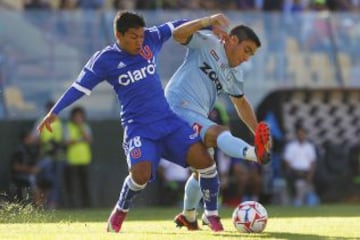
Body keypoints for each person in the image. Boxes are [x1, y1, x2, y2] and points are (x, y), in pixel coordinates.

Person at [37, 11, 233, 232]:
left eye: (141, 36)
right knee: (139, 176)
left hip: (168, 123)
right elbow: (79, 86)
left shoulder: (150, 38)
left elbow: (177, 26)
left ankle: (212, 216)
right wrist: (55, 110)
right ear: (118, 35)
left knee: (206, 162)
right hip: (139, 129)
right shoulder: (105, 60)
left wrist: (208, 24)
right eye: (133, 37)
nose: (139, 41)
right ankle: (120, 211)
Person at [164, 17, 272, 230]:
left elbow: (241, 103)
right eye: (247, 50)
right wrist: (207, 21)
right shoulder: (208, 42)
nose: (246, 58)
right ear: (232, 40)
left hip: (197, 114)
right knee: (219, 132)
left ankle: (189, 215)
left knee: (204, 167)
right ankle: (253, 154)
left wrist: (258, 130)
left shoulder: (235, 74)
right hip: (177, 105)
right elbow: (177, 35)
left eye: (251, 54)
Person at [64, 106, 92, 208]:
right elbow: (67, 142)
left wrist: (81, 129)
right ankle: (72, 206)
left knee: (84, 185)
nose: (78, 118)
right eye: (76, 116)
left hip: (84, 160)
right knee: (72, 186)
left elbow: (88, 139)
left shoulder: (85, 127)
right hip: (72, 160)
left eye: (80, 116)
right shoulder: (68, 127)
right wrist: (78, 139)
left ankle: (86, 205)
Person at [283, 124, 319, 206]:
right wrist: (291, 171)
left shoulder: (310, 147)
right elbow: (287, 162)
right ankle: (296, 199)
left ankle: (307, 200)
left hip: (307, 171)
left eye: (302, 134)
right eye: (299, 134)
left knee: (315, 177)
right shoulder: (291, 146)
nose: (301, 136)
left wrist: (310, 175)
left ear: (305, 135)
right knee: (293, 177)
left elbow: (313, 162)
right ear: (296, 135)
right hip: (294, 171)